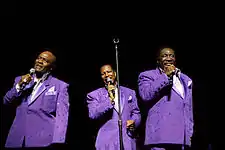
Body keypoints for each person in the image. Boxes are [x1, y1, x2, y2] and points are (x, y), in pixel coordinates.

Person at [3, 50, 70, 149]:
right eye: (39, 58)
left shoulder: (60, 86)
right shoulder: (20, 80)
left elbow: (62, 116)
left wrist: (58, 141)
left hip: (42, 141)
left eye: (45, 60)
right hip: (17, 139)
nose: (40, 61)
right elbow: (6, 101)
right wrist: (19, 86)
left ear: (51, 67)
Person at [138, 47, 194, 150]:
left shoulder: (185, 79)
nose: (168, 58)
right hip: (160, 136)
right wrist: (165, 76)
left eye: (171, 55)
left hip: (181, 137)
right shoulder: (147, 76)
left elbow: (188, 108)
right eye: (164, 56)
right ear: (158, 60)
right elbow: (145, 95)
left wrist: (189, 131)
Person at [86, 64, 141, 150]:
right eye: (103, 73)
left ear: (115, 73)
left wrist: (134, 121)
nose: (107, 75)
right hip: (107, 141)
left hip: (127, 140)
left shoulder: (129, 92)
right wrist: (109, 99)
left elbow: (136, 113)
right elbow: (93, 114)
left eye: (109, 72)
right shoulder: (94, 95)